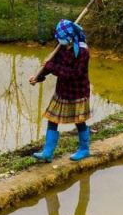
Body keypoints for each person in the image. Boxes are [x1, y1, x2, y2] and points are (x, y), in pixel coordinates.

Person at [29, 18, 92, 161]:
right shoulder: (61, 47)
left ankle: (84, 149)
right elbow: (51, 65)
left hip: (78, 92)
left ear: (70, 37)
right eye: (59, 39)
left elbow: (72, 74)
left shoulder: (82, 51)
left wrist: (51, 66)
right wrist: (38, 77)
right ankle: (47, 153)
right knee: (52, 119)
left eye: (62, 38)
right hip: (62, 91)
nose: (60, 41)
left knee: (79, 121)